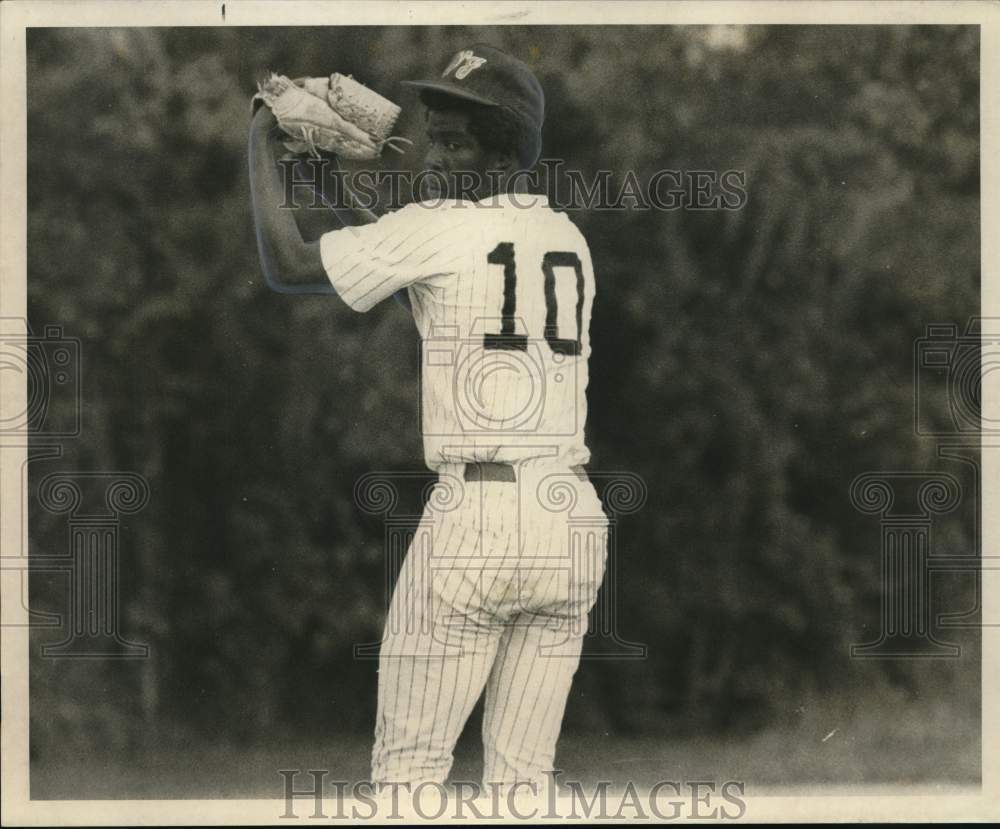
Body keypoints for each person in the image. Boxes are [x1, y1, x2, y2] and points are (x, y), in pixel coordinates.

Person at [248, 43, 608, 792]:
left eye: (455, 141)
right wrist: (330, 185)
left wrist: (260, 143)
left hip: (478, 519)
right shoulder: (565, 237)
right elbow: (427, 279)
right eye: (436, 134)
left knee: (407, 774)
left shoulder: (438, 231)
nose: (436, 157)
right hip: (569, 519)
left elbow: (288, 262)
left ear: (507, 153)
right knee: (522, 782)